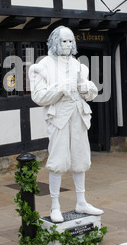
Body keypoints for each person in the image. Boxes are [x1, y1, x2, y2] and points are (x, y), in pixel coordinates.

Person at [28, 26, 103, 223]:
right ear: (55, 42)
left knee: (80, 158)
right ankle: (55, 205)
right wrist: (61, 88)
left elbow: (90, 93)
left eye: (70, 41)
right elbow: (38, 96)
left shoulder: (79, 65)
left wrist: (86, 88)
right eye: (64, 41)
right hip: (59, 118)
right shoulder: (43, 66)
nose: (68, 45)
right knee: (58, 160)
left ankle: (81, 201)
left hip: (78, 115)